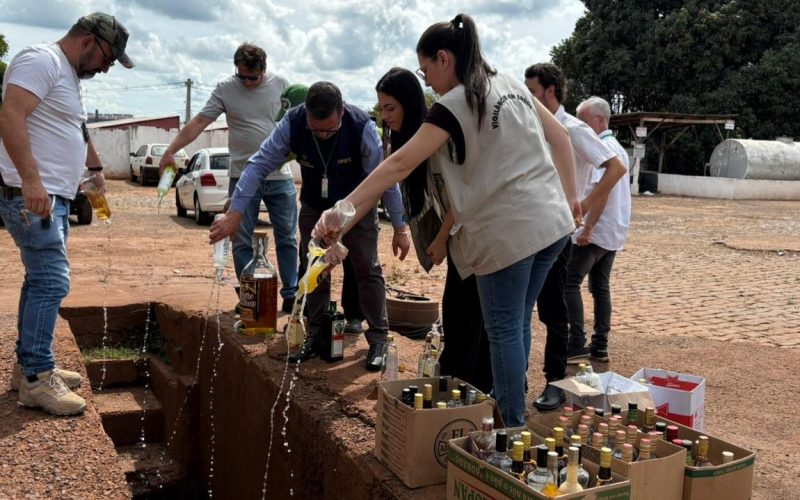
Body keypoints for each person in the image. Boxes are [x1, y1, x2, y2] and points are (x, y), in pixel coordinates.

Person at [312, 14, 581, 427]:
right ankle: (510, 415)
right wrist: (571, 201)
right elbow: (560, 139)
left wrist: (339, 212)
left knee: (504, 329)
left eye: (426, 72)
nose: (427, 84)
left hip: (505, 235)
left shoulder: (453, 104)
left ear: (444, 58)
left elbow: (399, 164)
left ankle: (510, 429)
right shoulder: (509, 83)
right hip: (552, 227)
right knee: (518, 323)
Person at [210, 82, 411, 371]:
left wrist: (400, 226)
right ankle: (315, 334)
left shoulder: (361, 127)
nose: (322, 136)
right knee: (314, 268)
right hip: (315, 207)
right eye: (316, 130)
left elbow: (386, 178)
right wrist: (235, 213)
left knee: (367, 267)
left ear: (341, 112)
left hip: (357, 208)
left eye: (329, 130)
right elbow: (257, 164)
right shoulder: (292, 123)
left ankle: (378, 339)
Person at [0, 12, 134, 415]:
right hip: (34, 197)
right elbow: (10, 115)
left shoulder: (68, 76)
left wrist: (93, 171)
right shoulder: (41, 61)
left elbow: (76, 129)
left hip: (55, 197)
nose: (107, 68)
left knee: (39, 280)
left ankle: (28, 369)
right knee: (53, 282)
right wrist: (31, 180)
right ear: (88, 41)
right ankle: (38, 379)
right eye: (108, 58)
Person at [375, 67, 493, 392]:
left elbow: (463, 194)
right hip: (461, 242)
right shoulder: (408, 141)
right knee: (465, 319)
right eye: (381, 109)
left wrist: (440, 239)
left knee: (466, 321)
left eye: (390, 108)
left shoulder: (440, 137)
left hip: (480, 237)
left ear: (410, 104)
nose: (385, 116)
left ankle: (460, 396)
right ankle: (473, 392)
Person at [159, 43, 298, 313]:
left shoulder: (281, 84)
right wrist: (170, 150)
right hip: (243, 176)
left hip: (280, 176)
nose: (246, 82)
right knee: (240, 238)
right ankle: (249, 293)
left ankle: (291, 293)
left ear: (263, 69)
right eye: (241, 76)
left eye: (252, 78)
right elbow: (199, 122)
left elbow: (297, 121)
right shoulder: (225, 89)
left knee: (287, 237)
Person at [524, 63, 628, 411]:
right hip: (526, 232)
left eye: (534, 92)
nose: (530, 99)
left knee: (553, 313)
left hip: (557, 237)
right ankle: (515, 376)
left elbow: (616, 168)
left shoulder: (575, 129)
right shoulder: (532, 126)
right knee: (520, 311)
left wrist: (581, 206)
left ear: (551, 91)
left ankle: (555, 382)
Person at [566, 96, 631, 362]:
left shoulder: (602, 149)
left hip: (596, 231)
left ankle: (577, 342)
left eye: (583, 120)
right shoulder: (618, 147)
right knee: (600, 287)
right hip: (613, 233)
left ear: (599, 119)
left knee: (569, 283)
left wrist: (588, 227)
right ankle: (600, 345)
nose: (580, 126)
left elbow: (600, 193)